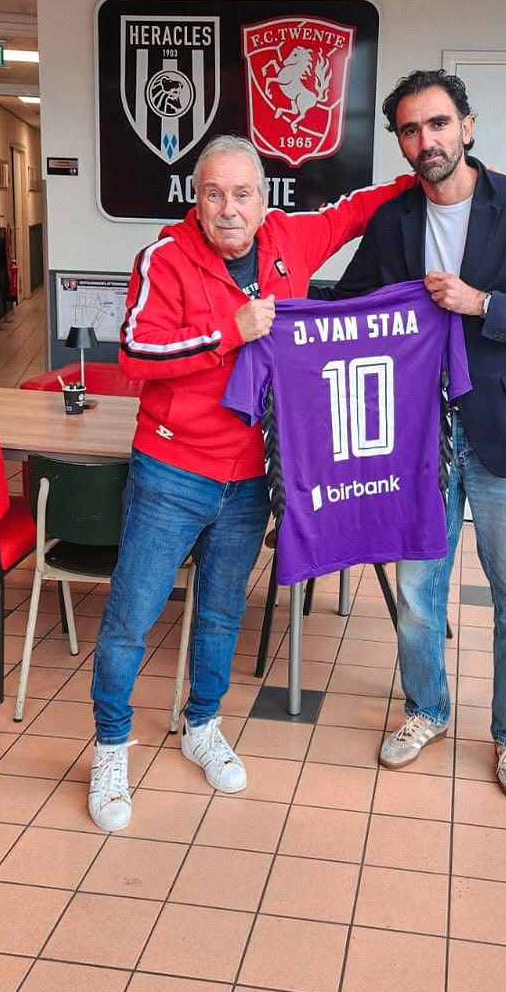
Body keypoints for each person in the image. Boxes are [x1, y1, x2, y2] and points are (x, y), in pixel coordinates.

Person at [88, 135, 416, 832]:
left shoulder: (289, 240)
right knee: (132, 615)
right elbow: (136, 353)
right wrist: (226, 331)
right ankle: (111, 746)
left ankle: (201, 725)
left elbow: (357, 210)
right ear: (196, 200)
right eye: (214, 194)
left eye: (241, 194)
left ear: (264, 200)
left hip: (249, 477)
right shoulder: (163, 258)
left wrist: (436, 172)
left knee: (220, 614)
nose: (228, 208)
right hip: (171, 471)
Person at [331, 69, 506, 800]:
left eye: (439, 123)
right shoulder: (394, 222)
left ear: (467, 127)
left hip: (505, 436)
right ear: (401, 143)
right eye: (411, 130)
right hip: (419, 442)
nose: (427, 141)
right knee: (418, 595)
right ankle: (426, 711)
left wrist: (482, 304)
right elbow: (349, 309)